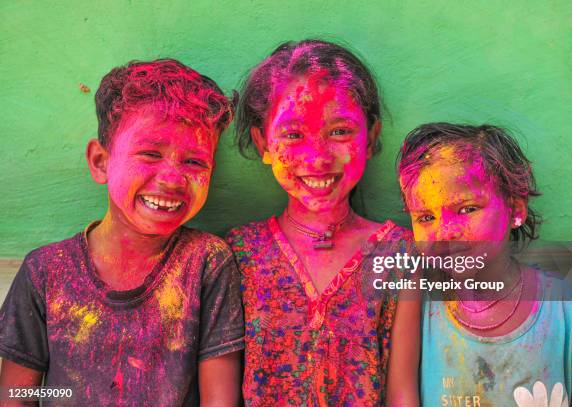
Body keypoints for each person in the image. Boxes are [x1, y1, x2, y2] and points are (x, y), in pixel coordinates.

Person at [0, 59, 244, 406]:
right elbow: (18, 395)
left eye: (194, 162)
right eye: (149, 153)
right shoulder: (46, 271)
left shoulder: (207, 263)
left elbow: (219, 400)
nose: (173, 179)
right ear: (100, 162)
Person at [226, 39, 420, 406]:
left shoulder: (399, 253)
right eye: (293, 134)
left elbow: (402, 392)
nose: (317, 158)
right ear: (263, 143)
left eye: (340, 131)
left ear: (371, 137)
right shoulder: (239, 253)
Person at [397, 122, 572, 406]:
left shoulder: (567, 307)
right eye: (425, 217)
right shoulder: (416, 311)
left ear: (515, 211)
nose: (445, 232)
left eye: (467, 209)